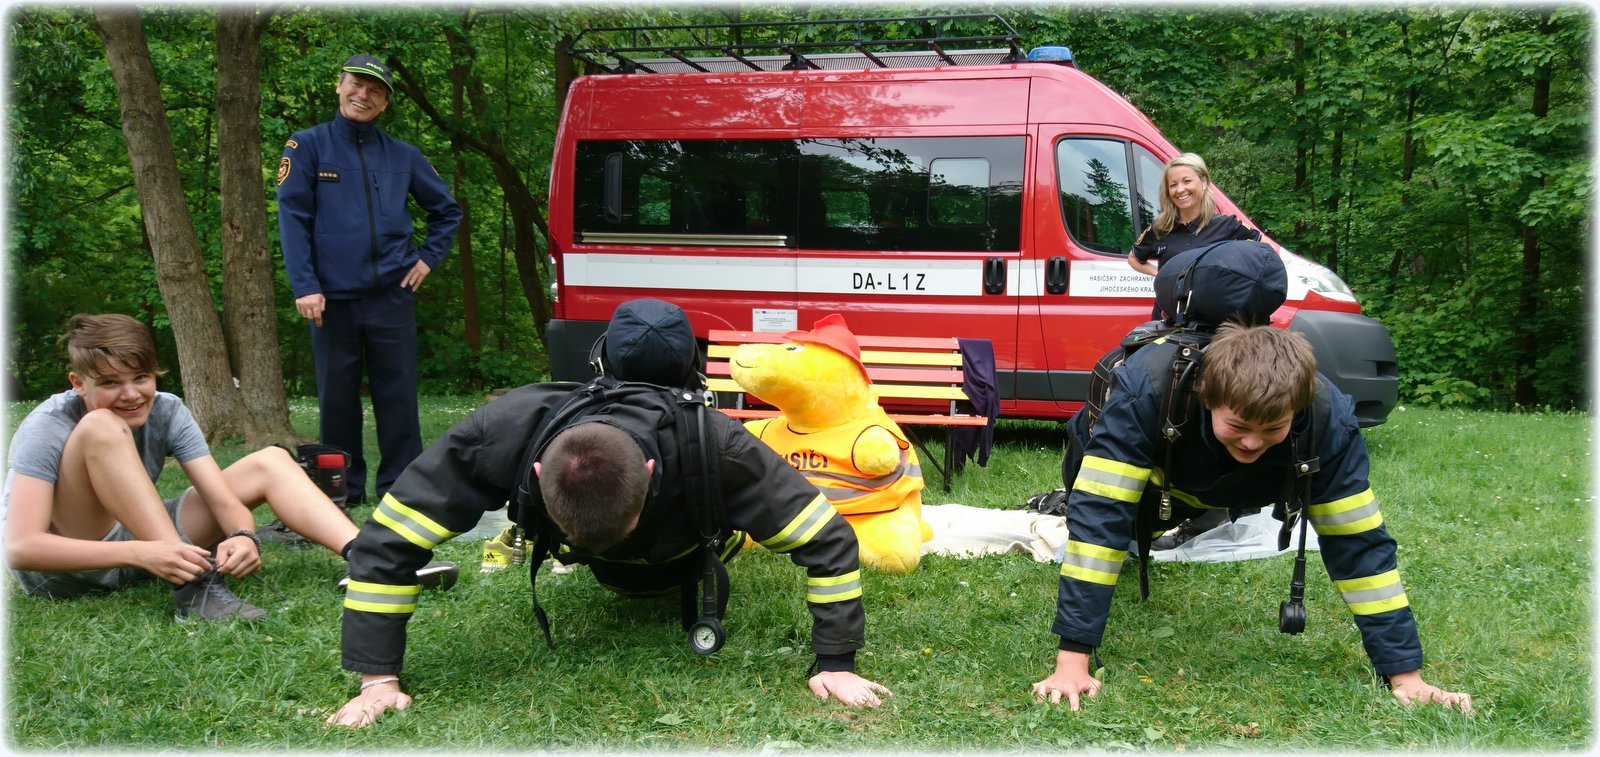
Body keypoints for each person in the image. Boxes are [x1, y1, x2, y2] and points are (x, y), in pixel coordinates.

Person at [327, 300, 892, 728]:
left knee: (749, 521)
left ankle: (734, 535)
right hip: (667, 537)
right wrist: (377, 677)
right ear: (539, 473)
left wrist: (835, 661)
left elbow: (826, 539)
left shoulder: (713, 445)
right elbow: (388, 543)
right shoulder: (514, 427)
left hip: (690, 553)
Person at [1031, 323, 1472, 713]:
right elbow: (1098, 527)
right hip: (1151, 469)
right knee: (1114, 532)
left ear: (1297, 411)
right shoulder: (1146, 392)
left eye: (1272, 429)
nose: (1251, 442)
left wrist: (1406, 676)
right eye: (1238, 426)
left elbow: (1360, 548)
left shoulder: (1329, 419)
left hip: (1223, 485)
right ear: (1208, 398)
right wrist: (1073, 661)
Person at [2, 314, 456, 622]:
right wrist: (140, 553)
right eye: (109, 383)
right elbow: (22, 549)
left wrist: (242, 535)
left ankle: (371, 558)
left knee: (271, 461)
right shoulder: (48, 425)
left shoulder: (168, 409)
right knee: (103, 426)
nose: (131, 394)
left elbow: (223, 501)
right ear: (77, 384)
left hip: (146, 543)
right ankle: (194, 588)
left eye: (140, 378)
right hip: (66, 569)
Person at [275, 53, 462, 507]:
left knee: (397, 397)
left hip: (392, 296)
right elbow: (292, 219)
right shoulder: (307, 146)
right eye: (356, 84)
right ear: (339, 86)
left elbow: (447, 212)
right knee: (336, 400)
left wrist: (426, 260)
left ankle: (403, 489)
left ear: (385, 103)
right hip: (331, 298)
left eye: (375, 90)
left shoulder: (404, 156)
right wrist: (305, 285)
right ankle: (340, 491)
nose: (364, 94)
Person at [1126, 152, 1260, 280]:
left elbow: (1267, 250)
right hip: (1167, 304)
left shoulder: (1226, 225)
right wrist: (1161, 275)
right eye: (1173, 185)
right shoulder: (1160, 228)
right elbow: (1133, 258)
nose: (1179, 190)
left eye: (1187, 181)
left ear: (1203, 181)